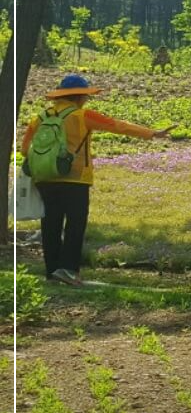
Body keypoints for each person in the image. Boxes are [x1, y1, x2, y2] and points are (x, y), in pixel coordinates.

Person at [21, 74, 173, 287]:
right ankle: (68, 270)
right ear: (81, 96)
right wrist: (151, 133)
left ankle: (52, 271)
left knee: (50, 224)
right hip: (75, 179)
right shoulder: (82, 116)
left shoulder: (40, 118)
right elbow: (116, 125)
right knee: (75, 223)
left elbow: (24, 149)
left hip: (44, 177)